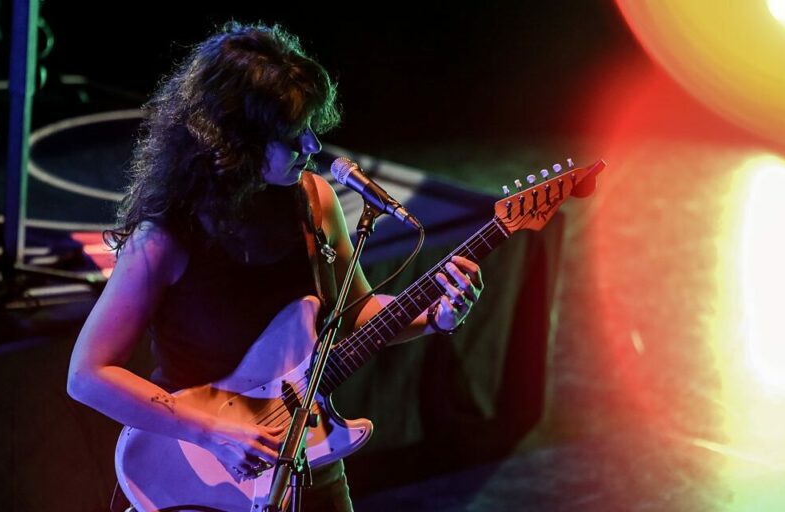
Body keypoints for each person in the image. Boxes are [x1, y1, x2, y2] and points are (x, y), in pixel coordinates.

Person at [66, 22, 483, 511]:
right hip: (200, 472)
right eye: (291, 136)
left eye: (310, 128)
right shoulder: (166, 236)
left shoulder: (314, 201)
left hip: (311, 464)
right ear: (234, 141)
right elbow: (87, 374)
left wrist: (433, 315)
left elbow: (357, 315)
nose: (311, 147)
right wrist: (214, 430)